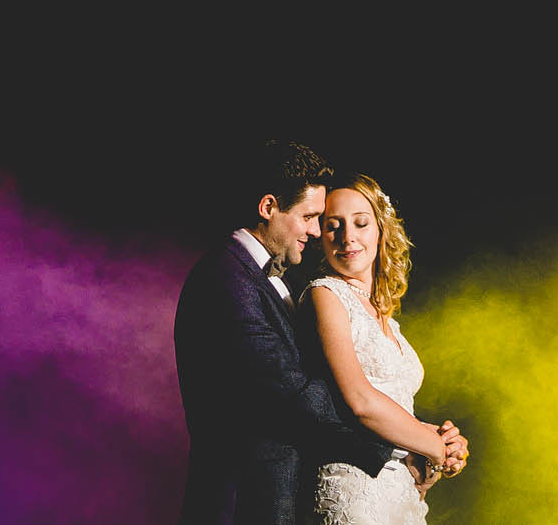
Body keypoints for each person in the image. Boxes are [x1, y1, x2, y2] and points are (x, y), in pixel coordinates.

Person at [174, 140, 418, 525]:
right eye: (309, 217)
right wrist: (400, 444)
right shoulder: (224, 277)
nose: (317, 231)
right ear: (269, 207)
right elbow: (290, 393)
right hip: (243, 504)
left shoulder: (268, 280)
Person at [299, 172, 470, 524]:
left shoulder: (387, 318)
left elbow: (391, 403)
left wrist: (442, 444)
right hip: (354, 491)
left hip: (402, 492)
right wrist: (432, 444)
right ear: (321, 238)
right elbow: (360, 401)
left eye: (360, 223)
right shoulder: (325, 295)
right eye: (333, 226)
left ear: (380, 228)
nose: (348, 237)